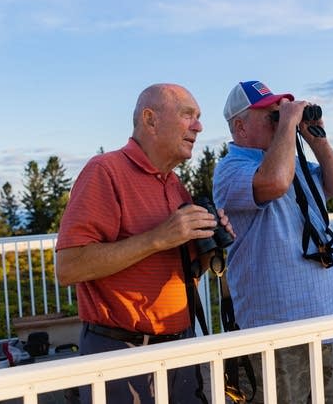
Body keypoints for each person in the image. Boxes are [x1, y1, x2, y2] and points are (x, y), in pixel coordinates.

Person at [56, 83, 234, 404]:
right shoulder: (105, 171)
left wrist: (209, 243)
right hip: (120, 355)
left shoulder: (175, 184)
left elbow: (187, 275)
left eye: (199, 117)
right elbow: (69, 266)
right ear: (150, 120)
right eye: (187, 115)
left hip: (178, 350)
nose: (199, 126)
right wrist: (156, 238)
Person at [213, 80, 333, 403]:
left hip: (321, 321)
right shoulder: (231, 168)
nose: (279, 119)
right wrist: (289, 123)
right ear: (240, 126)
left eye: (280, 112)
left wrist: (317, 138)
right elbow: (274, 181)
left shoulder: (294, 163)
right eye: (271, 115)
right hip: (274, 332)